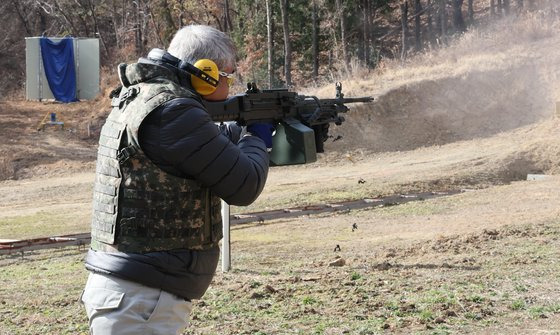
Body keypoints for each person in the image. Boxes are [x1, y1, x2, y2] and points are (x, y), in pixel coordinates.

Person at [80, 25, 272, 334]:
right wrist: (257, 137)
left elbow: (203, 144)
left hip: (133, 292)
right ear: (206, 73)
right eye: (228, 77)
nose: (230, 86)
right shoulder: (174, 111)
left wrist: (246, 131)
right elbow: (244, 184)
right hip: (141, 298)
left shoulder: (147, 96)